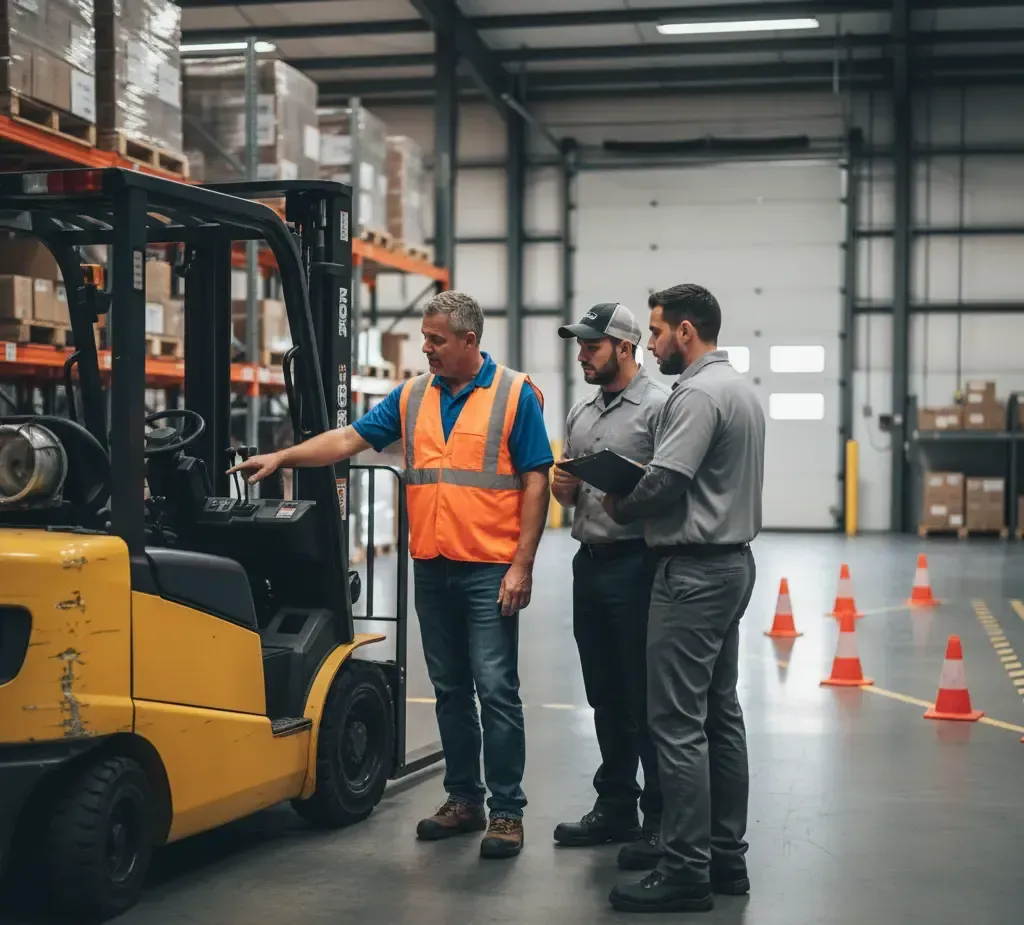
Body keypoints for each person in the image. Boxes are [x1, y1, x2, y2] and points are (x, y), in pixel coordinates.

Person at [229, 290, 553, 859]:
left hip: (487, 570)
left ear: (469, 341)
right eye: (425, 338)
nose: (425, 348)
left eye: (436, 340)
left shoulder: (512, 395)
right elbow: (350, 439)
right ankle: (464, 799)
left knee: (497, 691)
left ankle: (506, 811)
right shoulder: (412, 396)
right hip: (432, 566)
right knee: (451, 691)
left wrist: (521, 565)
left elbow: (535, 480)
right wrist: (284, 457)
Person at [600, 284, 765, 914]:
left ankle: (686, 867)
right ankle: (726, 858)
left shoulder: (695, 393)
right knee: (719, 714)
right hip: (730, 566)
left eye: (658, 330)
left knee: (676, 723)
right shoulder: (739, 390)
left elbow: (667, 480)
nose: (652, 342)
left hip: (693, 574)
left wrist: (617, 498)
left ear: (686, 332)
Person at [549, 303, 669, 867]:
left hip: (638, 566)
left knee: (642, 696)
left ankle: (660, 820)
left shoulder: (661, 408)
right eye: (580, 346)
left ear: (626, 347)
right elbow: (570, 490)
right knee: (603, 693)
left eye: (592, 347)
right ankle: (616, 804)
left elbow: (671, 489)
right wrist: (562, 485)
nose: (582, 356)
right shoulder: (582, 411)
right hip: (589, 563)